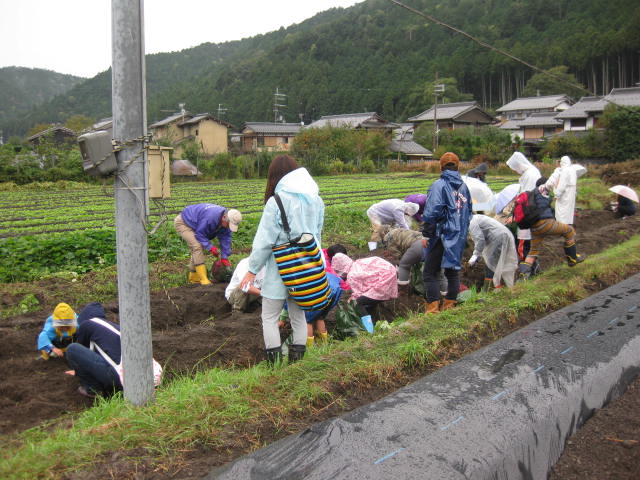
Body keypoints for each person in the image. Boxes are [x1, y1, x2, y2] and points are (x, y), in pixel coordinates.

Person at [240, 154, 324, 364]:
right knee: (298, 315)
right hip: (306, 266)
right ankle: (297, 363)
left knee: (269, 316)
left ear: (274, 176)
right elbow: (317, 235)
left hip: (281, 266)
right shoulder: (315, 199)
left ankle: (274, 365)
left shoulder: (276, 201)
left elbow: (264, 240)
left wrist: (252, 269)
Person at [421, 152, 473, 314]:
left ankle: (433, 310)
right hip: (458, 235)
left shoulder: (439, 185)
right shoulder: (464, 187)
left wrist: (427, 234)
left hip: (441, 234)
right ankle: (449, 306)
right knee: (452, 272)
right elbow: (468, 211)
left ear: (441, 166)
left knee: (430, 272)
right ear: (458, 166)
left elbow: (432, 211)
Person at [517, 179, 586, 280]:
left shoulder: (533, 195)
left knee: (533, 251)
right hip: (546, 223)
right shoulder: (543, 190)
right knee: (570, 230)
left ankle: (522, 278)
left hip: (535, 227)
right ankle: (572, 258)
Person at [174, 204, 242, 285]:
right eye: (228, 225)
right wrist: (211, 248)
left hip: (197, 223)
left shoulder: (226, 221)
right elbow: (200, 234)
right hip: (184, 222)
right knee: (197, 246)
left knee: (196, 249)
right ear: (224, 217)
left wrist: (224, 257)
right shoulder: (210, 218)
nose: (228, 227)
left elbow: (225, 239)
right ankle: (203, 278)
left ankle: (194, 278)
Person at [65, 302, 122, 398]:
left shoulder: (86, 325)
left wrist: (77, 370)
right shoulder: (113, 326)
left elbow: (84, 354)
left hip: (117, 377)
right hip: (136, 374)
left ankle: (93, 389)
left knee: (72, 349)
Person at [331, 253, 398, 327]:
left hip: (383, 283)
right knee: (368, 301)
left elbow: (358, 294)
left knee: (357, 303)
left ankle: (369, 328)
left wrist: (350, 300)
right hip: (390, 272)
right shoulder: (358, 263)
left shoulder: (352, 275)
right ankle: (374, 325)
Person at [506, 151, 541, 261]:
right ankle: (532, 268)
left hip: (527, 214)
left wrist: (515, 215)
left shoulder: (530, 175)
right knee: (530, 243)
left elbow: (525, 198)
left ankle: (525, 270)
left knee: (523, 243)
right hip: (531, 213)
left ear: (519, 165)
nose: (516, 171)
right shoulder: (530, 172)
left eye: (515, 168)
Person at [467, 214, 518, 289]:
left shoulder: (471, 223)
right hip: (504, 234)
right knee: (500, 263)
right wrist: (478, 255)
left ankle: (489, 289)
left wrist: (475, 256)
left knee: (491, 264)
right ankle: (506, 286)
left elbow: (480, 240)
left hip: (498, 238)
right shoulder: (476, 218)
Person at [380, 226, 423, 290]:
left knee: (403, 265)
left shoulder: (388, 238)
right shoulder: (398, 231)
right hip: (429, 241)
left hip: (418, 245)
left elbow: (398, 257)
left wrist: (399, 270)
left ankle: (403, 289)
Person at [545, 155, 578, 225]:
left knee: (562, 212)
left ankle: (562, 227)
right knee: (569, 211)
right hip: (571, 195)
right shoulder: (572, 170)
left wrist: (556, 193)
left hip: (564, 195)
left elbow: (562, 185)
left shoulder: (565, 171)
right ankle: (568, 226)